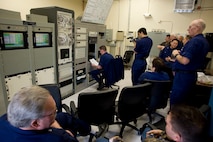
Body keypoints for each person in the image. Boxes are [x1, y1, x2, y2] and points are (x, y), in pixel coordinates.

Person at [0, 85, 91, 142]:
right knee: (68, 120)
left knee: (63, 117)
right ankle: (86, 129)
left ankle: (85, 128)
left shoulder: (3, 120)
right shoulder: (58, 138)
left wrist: (51, 118)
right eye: (53, 112)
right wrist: (63, 132)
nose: (55, 113)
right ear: (36, 123)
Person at [170, 19, 209, 106]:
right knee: (185, 101)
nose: (188, 29)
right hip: (191, 75)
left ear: (197, 28)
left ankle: (173, 118)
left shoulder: (194, 41)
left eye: (190, 27)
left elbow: (184, 61)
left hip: (183, 76)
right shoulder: (204, 41)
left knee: (177, 101)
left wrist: (176, 54)